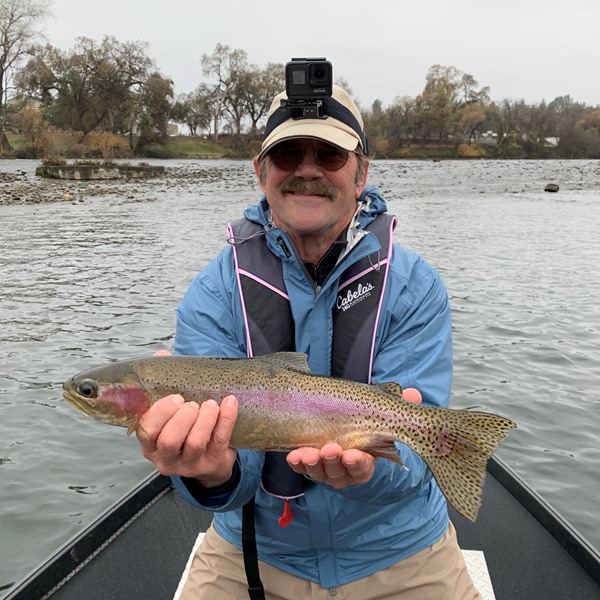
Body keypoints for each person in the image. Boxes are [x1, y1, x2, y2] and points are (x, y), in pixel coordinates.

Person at [136, 83, 483, 600]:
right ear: (261, 171)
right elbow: (235, 470)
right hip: (255, 549)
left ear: (361, 172)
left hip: (398, 544)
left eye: (329, 154)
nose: (307, 168)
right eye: (287, 153)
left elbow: (416, 465)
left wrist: (367, 473)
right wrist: (212, 474)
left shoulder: (413, 284)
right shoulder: (215, 290)